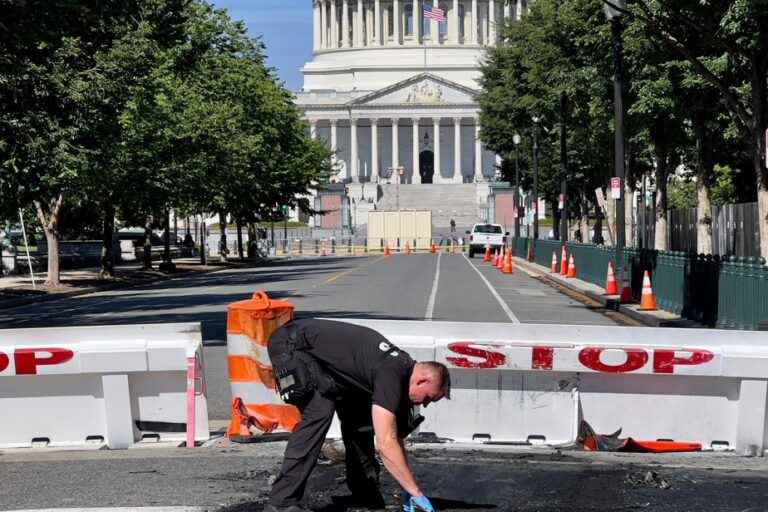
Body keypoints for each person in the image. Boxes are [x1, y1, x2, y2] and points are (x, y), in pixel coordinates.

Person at [265, 319, 451, 512]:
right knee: (319, 412)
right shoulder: (391, 373)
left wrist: (407, 485)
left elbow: (396, 437)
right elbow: (385, 443)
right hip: (292, 345)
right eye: (429, 398)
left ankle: (364, 493)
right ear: (421, 381)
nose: (426, 404)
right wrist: (416, 492)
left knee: (361, 421)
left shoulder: (401, 372)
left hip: (324, 360)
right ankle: (281, 501)